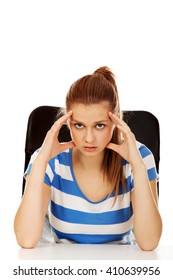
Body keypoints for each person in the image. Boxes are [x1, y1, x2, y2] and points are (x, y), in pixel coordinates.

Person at [14, 66, 162, 250]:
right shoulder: (49, 160)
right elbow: (26, 240)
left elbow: (149, 243)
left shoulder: (140, 158)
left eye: (99, 125)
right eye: (79, 125)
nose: (89, 138)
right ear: (68, 122)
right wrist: (41, 162)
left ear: (115, 121)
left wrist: (138, 167)